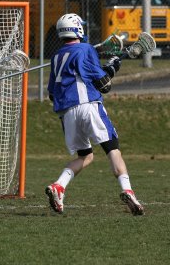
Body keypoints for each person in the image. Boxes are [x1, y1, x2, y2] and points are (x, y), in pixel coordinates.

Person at [44, 13, 144, 216]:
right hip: (88, 105)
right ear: (77, 29)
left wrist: (106, 69)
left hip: (66, 113)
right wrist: (113, 67)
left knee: (85, 156)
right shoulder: (86, 49)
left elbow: (52, 94)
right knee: (112, 148)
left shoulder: (55, 57)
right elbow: (104, 85)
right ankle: (128, 191)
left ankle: (59, 186)